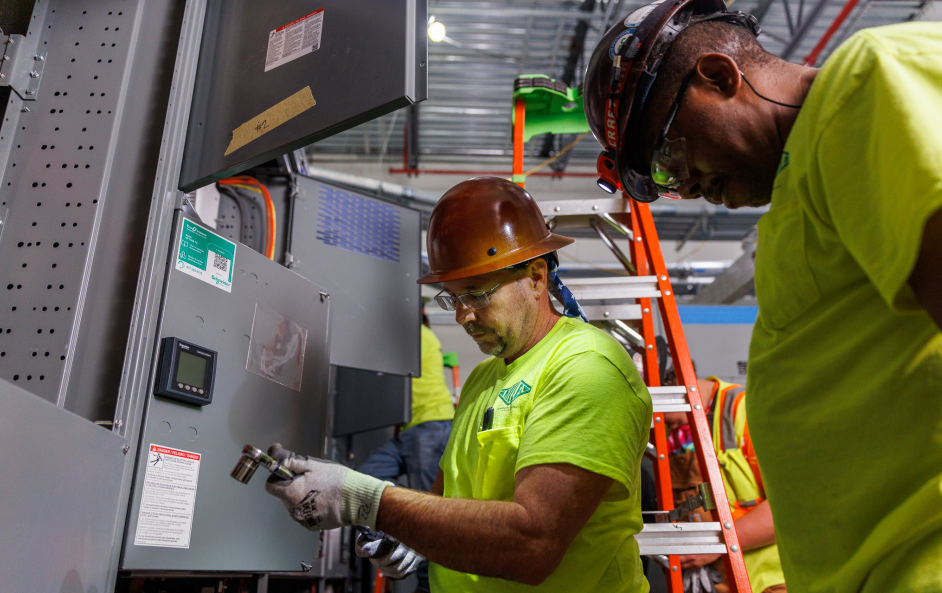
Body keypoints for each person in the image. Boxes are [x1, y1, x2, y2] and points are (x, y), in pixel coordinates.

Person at [583, 1, 942, 591]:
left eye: (669, 153)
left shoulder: (861, 86)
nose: (687, 184)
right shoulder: (799, 195)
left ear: (720, 77)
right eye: (667, 178)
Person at [263, 177, 653, 592]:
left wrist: (369, 503)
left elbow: (533, 544)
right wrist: (416, 538)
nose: (463, 316)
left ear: (537, 277)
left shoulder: (586, 367)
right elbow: (449, 494)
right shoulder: (485, 377)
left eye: (477, 294)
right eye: (452, 298)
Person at [354, 315, 455, 593]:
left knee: (429, 512)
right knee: (362, 480)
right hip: (411, 432)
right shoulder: (412, 340)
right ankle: (388, 536)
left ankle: (427, 588)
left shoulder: (420, 335)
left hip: (431, 427)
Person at [661, 367, 785, 593]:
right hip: (719, 583)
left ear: (674, 385)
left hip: (769, 583)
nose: (673, 430)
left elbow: (787, 508)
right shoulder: (670, 428)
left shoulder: (743, 409)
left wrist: (716, 542)